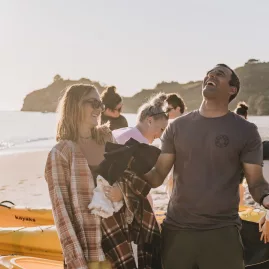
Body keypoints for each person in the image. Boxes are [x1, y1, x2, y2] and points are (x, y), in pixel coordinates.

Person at [144, 64, 269, 269]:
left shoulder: (246, 131)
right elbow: (157, 175)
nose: (211, 75)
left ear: (232, 90)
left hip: (222, 233)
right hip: (177, 232)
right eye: (209, 73)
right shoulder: (177, 127)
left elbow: (255, 183)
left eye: (219, 74)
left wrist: (266, 198)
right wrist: (128, 170)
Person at [45, 84, 122, 269]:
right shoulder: (61, 153)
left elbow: (125, 179)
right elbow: (62, 214)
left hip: (118, 244)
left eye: (100, 104)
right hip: (89, 253)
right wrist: (77, 262)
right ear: (74, 106)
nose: (99, 108)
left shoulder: (108, 140)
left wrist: (121, 190)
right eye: (93, 102)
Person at [165, 93, 186, 197]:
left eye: (168, 109)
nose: (166, 112)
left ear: (178, 108)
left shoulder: (184, 124)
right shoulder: (173, 124)